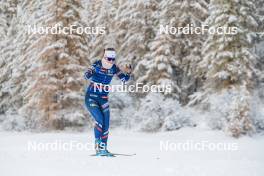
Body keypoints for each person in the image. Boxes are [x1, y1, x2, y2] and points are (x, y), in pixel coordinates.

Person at [84, 48, 131, 156]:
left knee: (106, 123)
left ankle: (103, 148)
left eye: (113, 59)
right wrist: (90, 72)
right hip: (91, 97)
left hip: (103, 98)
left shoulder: (114, 67)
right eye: (109, 59)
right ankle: (98, 147)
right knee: (99, 120)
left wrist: (128, 73)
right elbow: (86, 75)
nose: (111, 61)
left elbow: (124, 80)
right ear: (104, 57)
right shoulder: (96, 64)